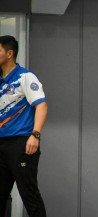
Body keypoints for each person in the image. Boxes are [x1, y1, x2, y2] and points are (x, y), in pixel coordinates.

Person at [0, 35, 48, 217]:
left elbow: (42, 106)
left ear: (10, 53)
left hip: (21, 144)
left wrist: (35, 135)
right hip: (1, 144)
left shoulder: (26, 77)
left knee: (29, 196)